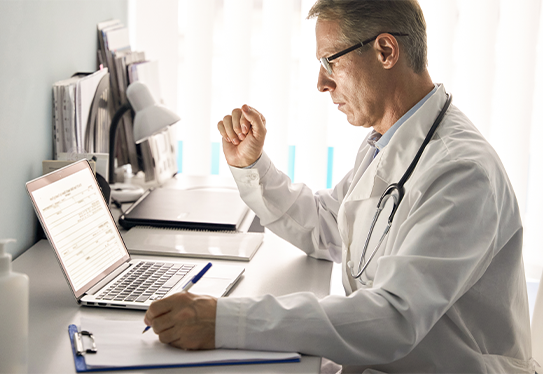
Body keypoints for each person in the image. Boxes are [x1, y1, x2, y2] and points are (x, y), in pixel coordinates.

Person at [144, 0, 535, 372]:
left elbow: (394, 318)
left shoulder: (461, 172)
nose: (321, 83)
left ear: (385, 51)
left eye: (330, 60)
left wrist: (223, 320)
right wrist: (252, 166)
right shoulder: (389, 142)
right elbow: (326, 224)